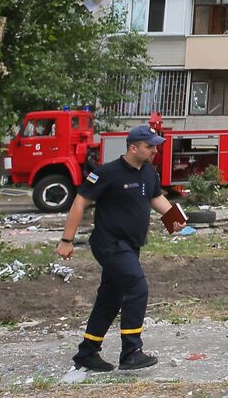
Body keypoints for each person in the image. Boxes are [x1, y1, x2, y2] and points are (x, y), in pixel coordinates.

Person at [56, 124, 185, 372]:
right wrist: (67, 240)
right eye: (149, 147)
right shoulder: (107, 173)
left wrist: (173, 219)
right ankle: (131, 352)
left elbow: (155, 197)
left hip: (131, 244)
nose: (154, 151)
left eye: (155, 146)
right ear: (133, 147)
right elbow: (80, 202)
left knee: (111, 296)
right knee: (137, 287)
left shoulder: (149, 172)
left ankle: (87, 352)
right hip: (109, 243)